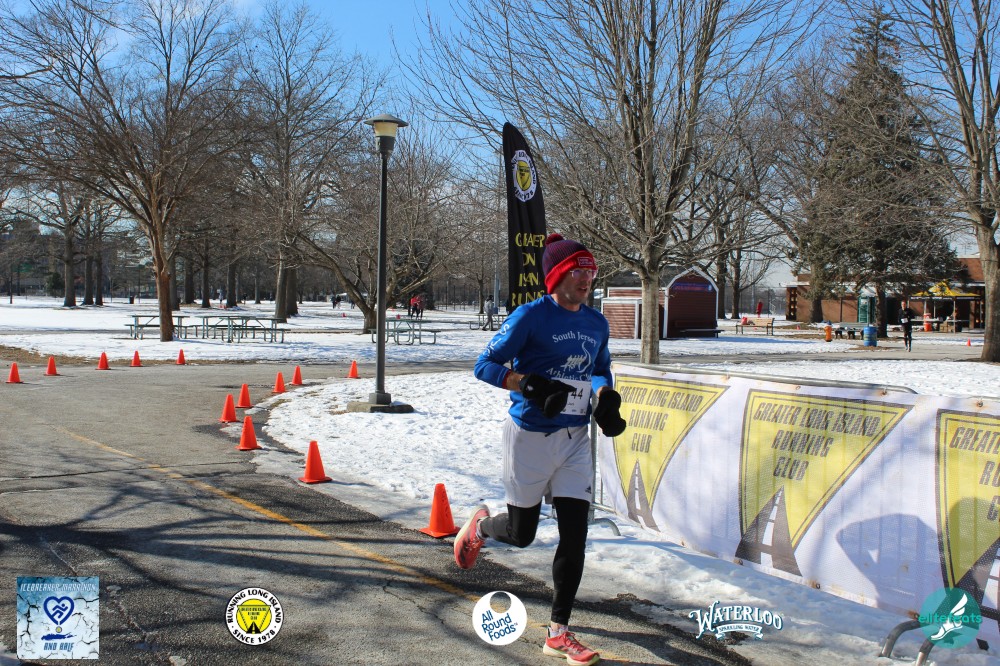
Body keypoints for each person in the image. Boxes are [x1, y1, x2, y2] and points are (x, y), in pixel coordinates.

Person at [456, 233, 626, 666]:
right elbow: (484, 365)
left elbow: (600, 368)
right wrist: (528, 384)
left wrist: (606, 398)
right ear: (557, 276)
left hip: (574, 440)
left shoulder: (596, 323)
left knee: (575, 535)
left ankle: (558, 632)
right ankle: (481, 528)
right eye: (578, 272)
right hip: (529, 436)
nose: (587, 279)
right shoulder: (530, 316)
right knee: (522, 534)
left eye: (591, 272)